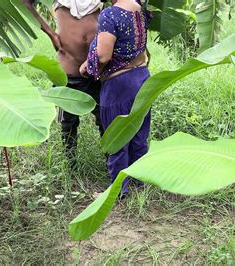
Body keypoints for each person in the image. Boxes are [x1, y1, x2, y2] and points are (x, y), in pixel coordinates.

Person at [81, 0, 152, 196]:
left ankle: (119, 189)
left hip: (120, 84)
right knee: (138, 134)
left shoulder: (110, 14)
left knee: (117, 136)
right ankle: (139, 182)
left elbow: (103, 56)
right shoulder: (140, 10)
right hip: (143, 77)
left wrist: (88, 66)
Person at [23, 0, 105, 166]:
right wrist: (50, 33)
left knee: (105, 118)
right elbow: (25, 3)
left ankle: (111, 160)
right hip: (68, 71)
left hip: (97, 70)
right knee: (68, 122)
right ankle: (70, 162)